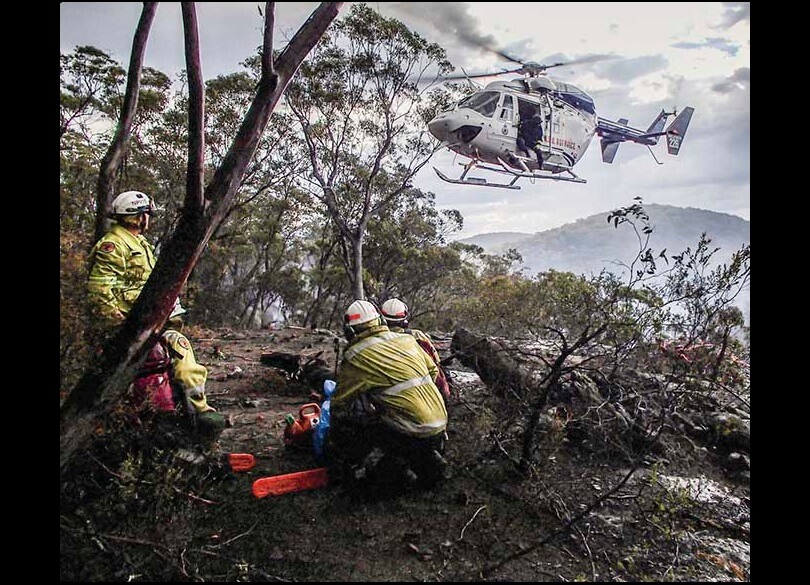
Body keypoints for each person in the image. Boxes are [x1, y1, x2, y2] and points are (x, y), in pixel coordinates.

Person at [86, 189, 225, 435]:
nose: (147, 219)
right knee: (178, 351)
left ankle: (194, 412)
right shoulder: (114, 244)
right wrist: (118, 325)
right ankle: (197, 412)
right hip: (132, 324)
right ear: (137, 216)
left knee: (179, 354)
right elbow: (99, 290)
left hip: (151, 321)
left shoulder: (138, 242)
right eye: (145, 214)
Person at [326, 300, 449, 495]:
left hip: (409, 430)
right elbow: (434, 371)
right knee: (404, 430)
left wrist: (333, 433)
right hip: (440, 423)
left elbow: (341, 402)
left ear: (350, 331)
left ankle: (374, 471)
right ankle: (424, 462)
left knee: (352, 425)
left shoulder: (357, 353)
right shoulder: (407, 340)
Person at [380, 297, 451, 405]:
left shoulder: (376, 341)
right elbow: (435, 362)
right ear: (404, 318)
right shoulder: (417, 336)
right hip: (424, 395)